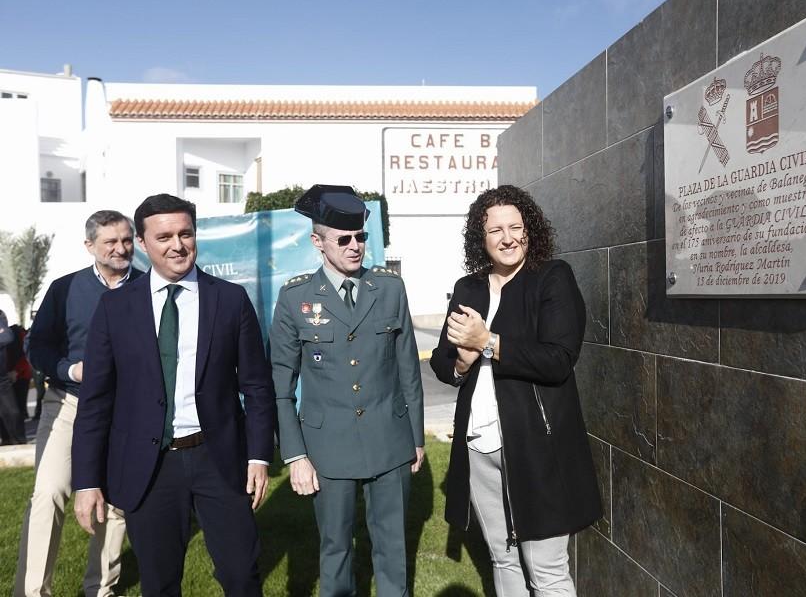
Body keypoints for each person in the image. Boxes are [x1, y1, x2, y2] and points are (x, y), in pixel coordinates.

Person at [71, 194, 275, 596]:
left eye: (186, 233)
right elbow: (96, 400)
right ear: (143, 243)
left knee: (241, 575)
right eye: (164, 236)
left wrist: (258, 455)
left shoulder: (230, 300)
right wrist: (87, 479)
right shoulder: (115, 308)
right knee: (160, 582)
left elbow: (256, 385)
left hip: (219, 459)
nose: (177, 245)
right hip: (150, 465)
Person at [431, 185, 602, 596]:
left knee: (545, 569)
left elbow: (558, 359)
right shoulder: (468, 287)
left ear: (531, 230)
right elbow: (441, 360)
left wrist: (488, 341)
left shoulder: (551, 277)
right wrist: (462, 361)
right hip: (479, 445)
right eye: (495, 231)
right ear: (481, 238)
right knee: (502, 557)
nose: (507, 238)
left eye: (516, 227)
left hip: (536, 447)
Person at [270, 184, 425, 596]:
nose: (355, 246)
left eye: (361, 237)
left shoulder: (389, 288)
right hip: (328, 445)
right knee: (335, 548)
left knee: (393, 547)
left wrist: (417, 438)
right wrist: (296, 454)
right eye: (344, 239)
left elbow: (409, 368)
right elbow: (281, 387)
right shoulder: (296, 298)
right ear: (317, 242)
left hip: (390, 439)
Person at [16, 210, 139, 597]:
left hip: (127, 412)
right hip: (68, 403)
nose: (121, 249)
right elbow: (36, 345)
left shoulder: (151, 287)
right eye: (111, 242)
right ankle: (32, 591)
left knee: (115, 501)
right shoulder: (65, 288)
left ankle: (101, 589)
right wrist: (71, 370)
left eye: (127, 240)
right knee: (49, 492)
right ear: (90, 246)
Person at [0, 308, 25, 445]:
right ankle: (6, 440)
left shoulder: (0, 316)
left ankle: (19, 441)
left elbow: (7, 336)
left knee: (13, 412)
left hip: (2, 379)